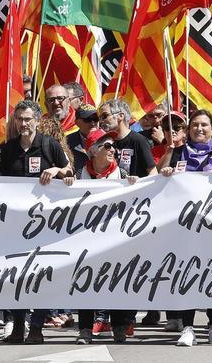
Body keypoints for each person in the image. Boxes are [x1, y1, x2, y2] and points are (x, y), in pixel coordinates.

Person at [0, 100, 71, 344]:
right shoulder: (4, 150)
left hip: (44, 224)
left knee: (42, 275)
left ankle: (36, 326)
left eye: (28, 119)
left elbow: (70, 171)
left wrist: (57, 171)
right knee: (17, 277)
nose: (23, 123)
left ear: (37, 120)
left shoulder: (49, 145)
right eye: (19, 119)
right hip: (14, 225)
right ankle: (18, 326)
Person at [158, 110, 212, 346]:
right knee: (187, 276)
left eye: (204, 125)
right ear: (188, 129)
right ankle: (187, 327)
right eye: (194, 125)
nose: (199, 129)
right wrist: (165, 172)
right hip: (184, 228)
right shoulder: (175, 153)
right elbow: (156, 180)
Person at [65, 135, 138, 344]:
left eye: (113, 146)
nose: (112, 150)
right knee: (85, 283)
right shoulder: (80, 174)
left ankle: (118, 326)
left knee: (113, 281)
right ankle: (85, 329)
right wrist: (67, 185)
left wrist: (133, 184)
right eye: (107, 146)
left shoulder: (121, 173)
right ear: (93, 150)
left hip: (113, 238)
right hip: (86, 239)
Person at [97, 99, 157, 178]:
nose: (101, 121)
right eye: (100, 117)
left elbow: (153, 172)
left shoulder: (138, 140)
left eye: (105, 116)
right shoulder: (105, 141)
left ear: (120, 116)